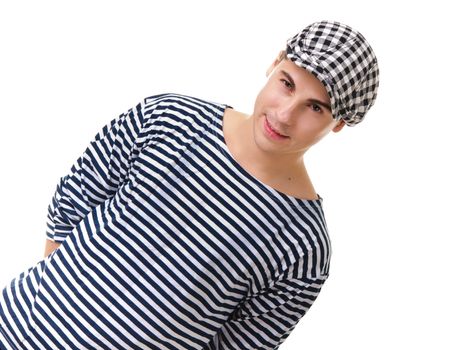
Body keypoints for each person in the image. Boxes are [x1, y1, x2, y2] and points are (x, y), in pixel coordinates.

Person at [0, 20, 379, 349]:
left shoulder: (303, 245)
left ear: (340, 123)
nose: (284, 114)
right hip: (13, 328)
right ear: (275, 61)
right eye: (287, 83)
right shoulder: (170, 118)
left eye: (315, 108)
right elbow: (74, 198)